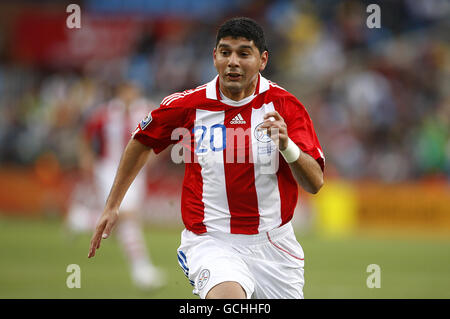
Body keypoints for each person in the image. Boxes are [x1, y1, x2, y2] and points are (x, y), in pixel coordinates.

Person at [88, 17, 324, 299]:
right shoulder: (188, 105)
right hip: (212, 241)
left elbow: (315, 182)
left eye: (243, 54)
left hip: (274, 245)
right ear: (214, 57)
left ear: (262, 60)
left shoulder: (286, 106)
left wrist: (287, 146)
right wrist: (113, 205)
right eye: (225, 52)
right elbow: (141, 140)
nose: (233, 61)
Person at [69, 82, 165, 290]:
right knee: (126, 214)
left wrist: (155, 157)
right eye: (127, 91)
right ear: (120, 93)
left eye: (134, 92)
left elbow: (161, 135)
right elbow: (85, 136)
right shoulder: (105, 114)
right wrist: (85, 157)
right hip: (109, 169)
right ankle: (142, 271)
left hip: (137, 171)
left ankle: (83, 219)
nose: (131, 95)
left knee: (125, 222)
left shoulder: (146, 111)